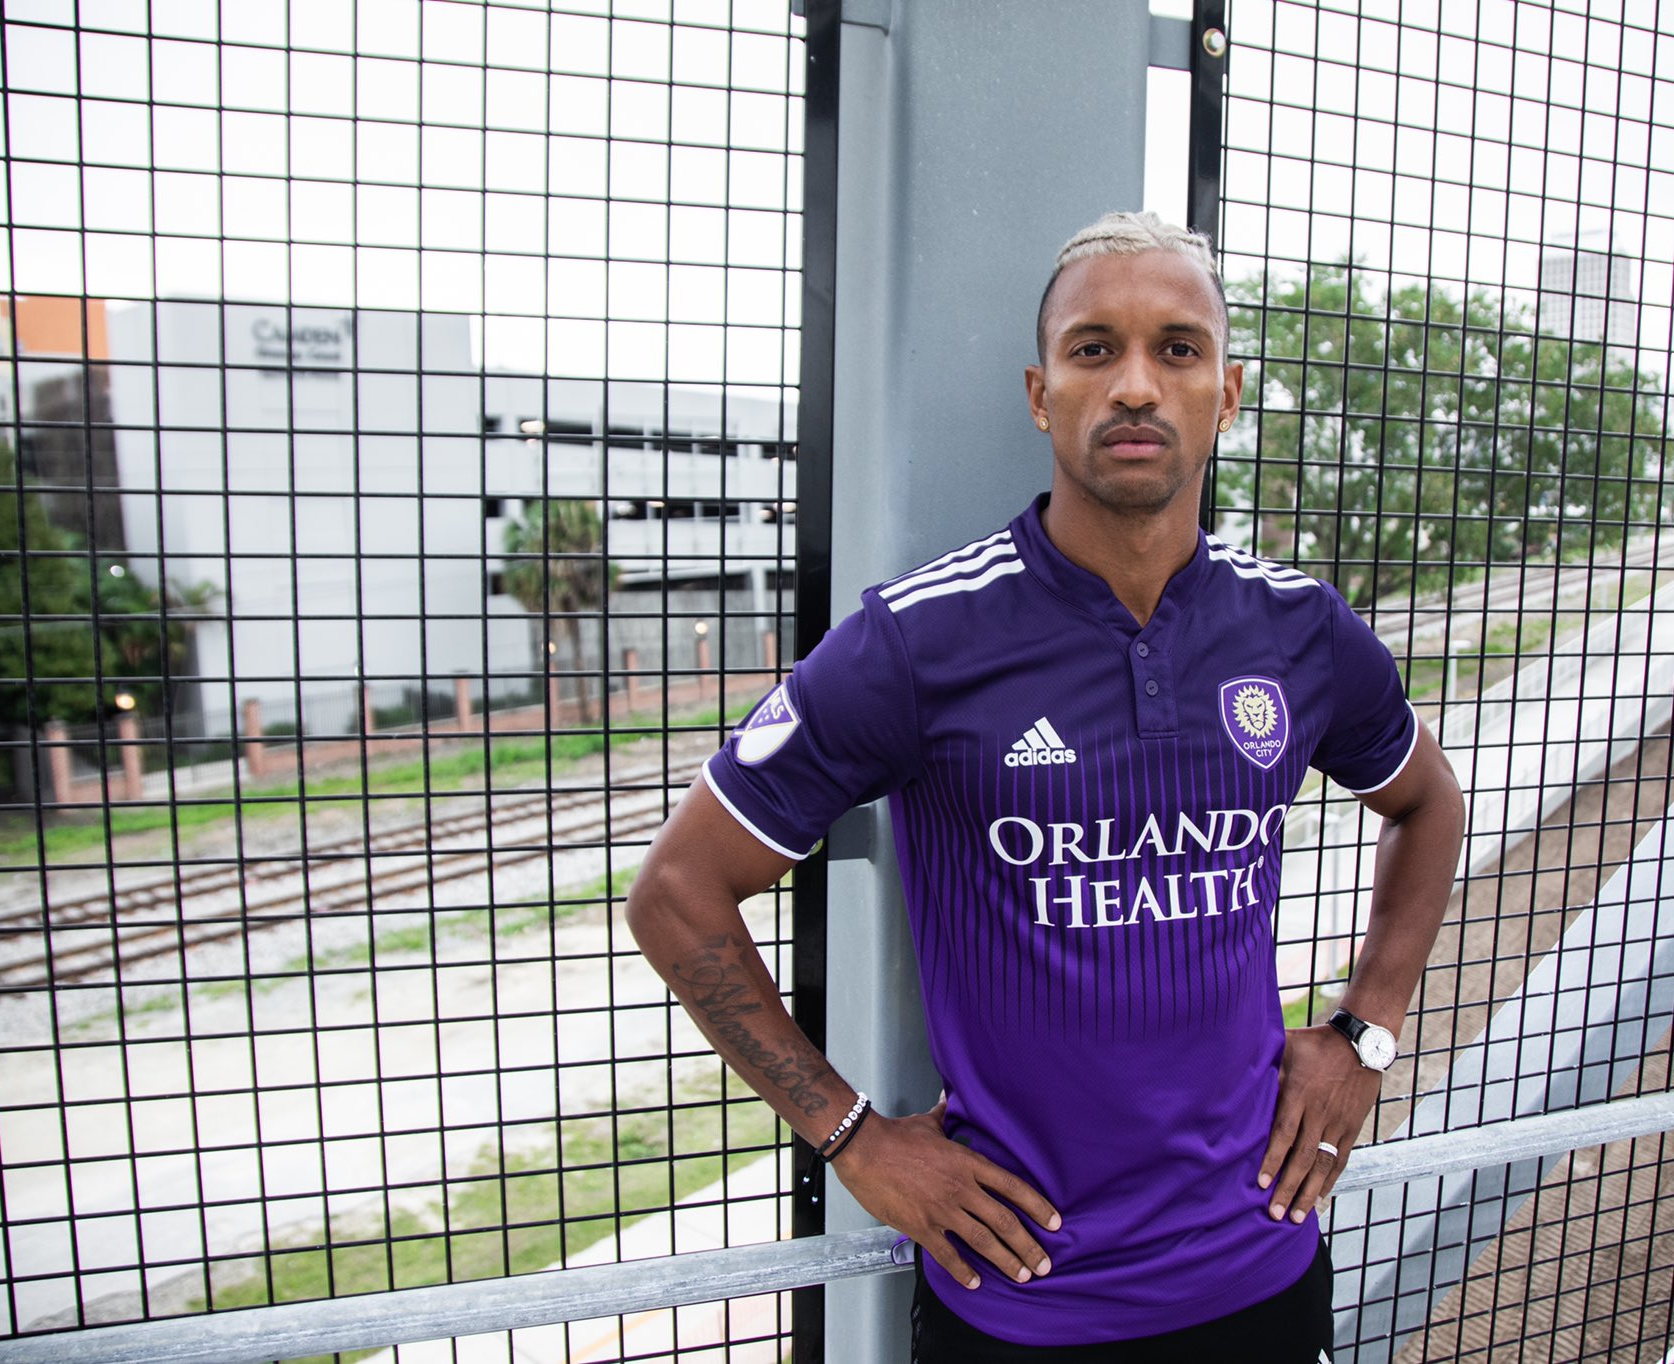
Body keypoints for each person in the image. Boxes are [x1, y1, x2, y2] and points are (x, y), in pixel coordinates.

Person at [625, 210, 1466, 1360]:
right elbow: (676, 892)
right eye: (1092, 348)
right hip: (1018, 1300)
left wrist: (1364, 1030)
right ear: (1039, 393)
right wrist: (852, 1135)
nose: (1135, 384)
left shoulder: (1297, 628)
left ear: (1225, 393)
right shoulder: (919, 641)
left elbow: (1426, 800)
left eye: (1177, 349)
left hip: (1259, 1267)